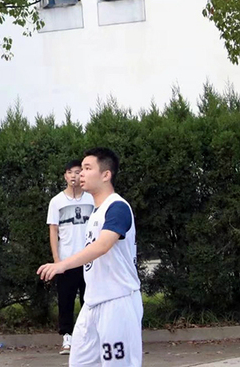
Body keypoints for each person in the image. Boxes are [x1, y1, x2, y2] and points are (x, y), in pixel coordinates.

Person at [38, 148, 142, 367]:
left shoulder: (117, 207)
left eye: (87, 168)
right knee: (79, 362)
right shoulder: (96, 212)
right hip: (92, 304)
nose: (81, 174)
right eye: (80, 169)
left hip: (117, 301)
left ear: (106, 175)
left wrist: (62, 265)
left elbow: (103, 245)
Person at [46, 159, 94, 354]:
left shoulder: (91, 199)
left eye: (77, 172)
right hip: (66, 260)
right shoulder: (56, 201)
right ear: (65, 176)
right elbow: (53, 230)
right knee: (65, 300)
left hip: (89, 259)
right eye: (70, 172)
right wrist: (56, 259)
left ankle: (88, 337)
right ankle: (67, 337)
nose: (74, 176)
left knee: (89, 299)